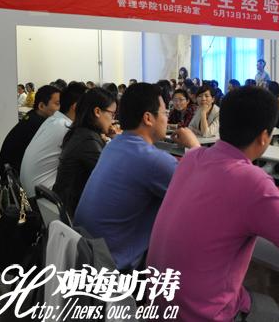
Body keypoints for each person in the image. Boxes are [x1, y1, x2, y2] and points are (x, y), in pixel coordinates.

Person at [146, 85, 279, 322]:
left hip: (159, 305)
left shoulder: (191, 158)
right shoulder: (254, 181)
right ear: (264, 137)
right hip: (204, 315)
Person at [73, 83, 200, 272]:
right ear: (148, 118)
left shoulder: (113, 146)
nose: (167, 118)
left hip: (86, 257)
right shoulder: (154, 161)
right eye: (164, 112)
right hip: (114, 269)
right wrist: (195, 147)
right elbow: (203, 195)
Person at [52, 87, 118, 218]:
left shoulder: (81, 132)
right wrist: (119, 140)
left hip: (69, 207)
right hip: (74, 215)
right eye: (112, 114)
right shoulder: (87, 140)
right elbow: (113, 175)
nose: (112, 121)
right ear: (97, 112)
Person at [20, 82, 87, 197]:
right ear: (76, 107)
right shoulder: (66, 128)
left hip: (32, 193)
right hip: (44, 198)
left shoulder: (53, 120)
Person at [0, 85, 61, 176]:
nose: (61, 108)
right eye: (57, 104)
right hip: (14, 176)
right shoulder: (39, 124)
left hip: (10, 171)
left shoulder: (32, 116)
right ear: (41, 106)